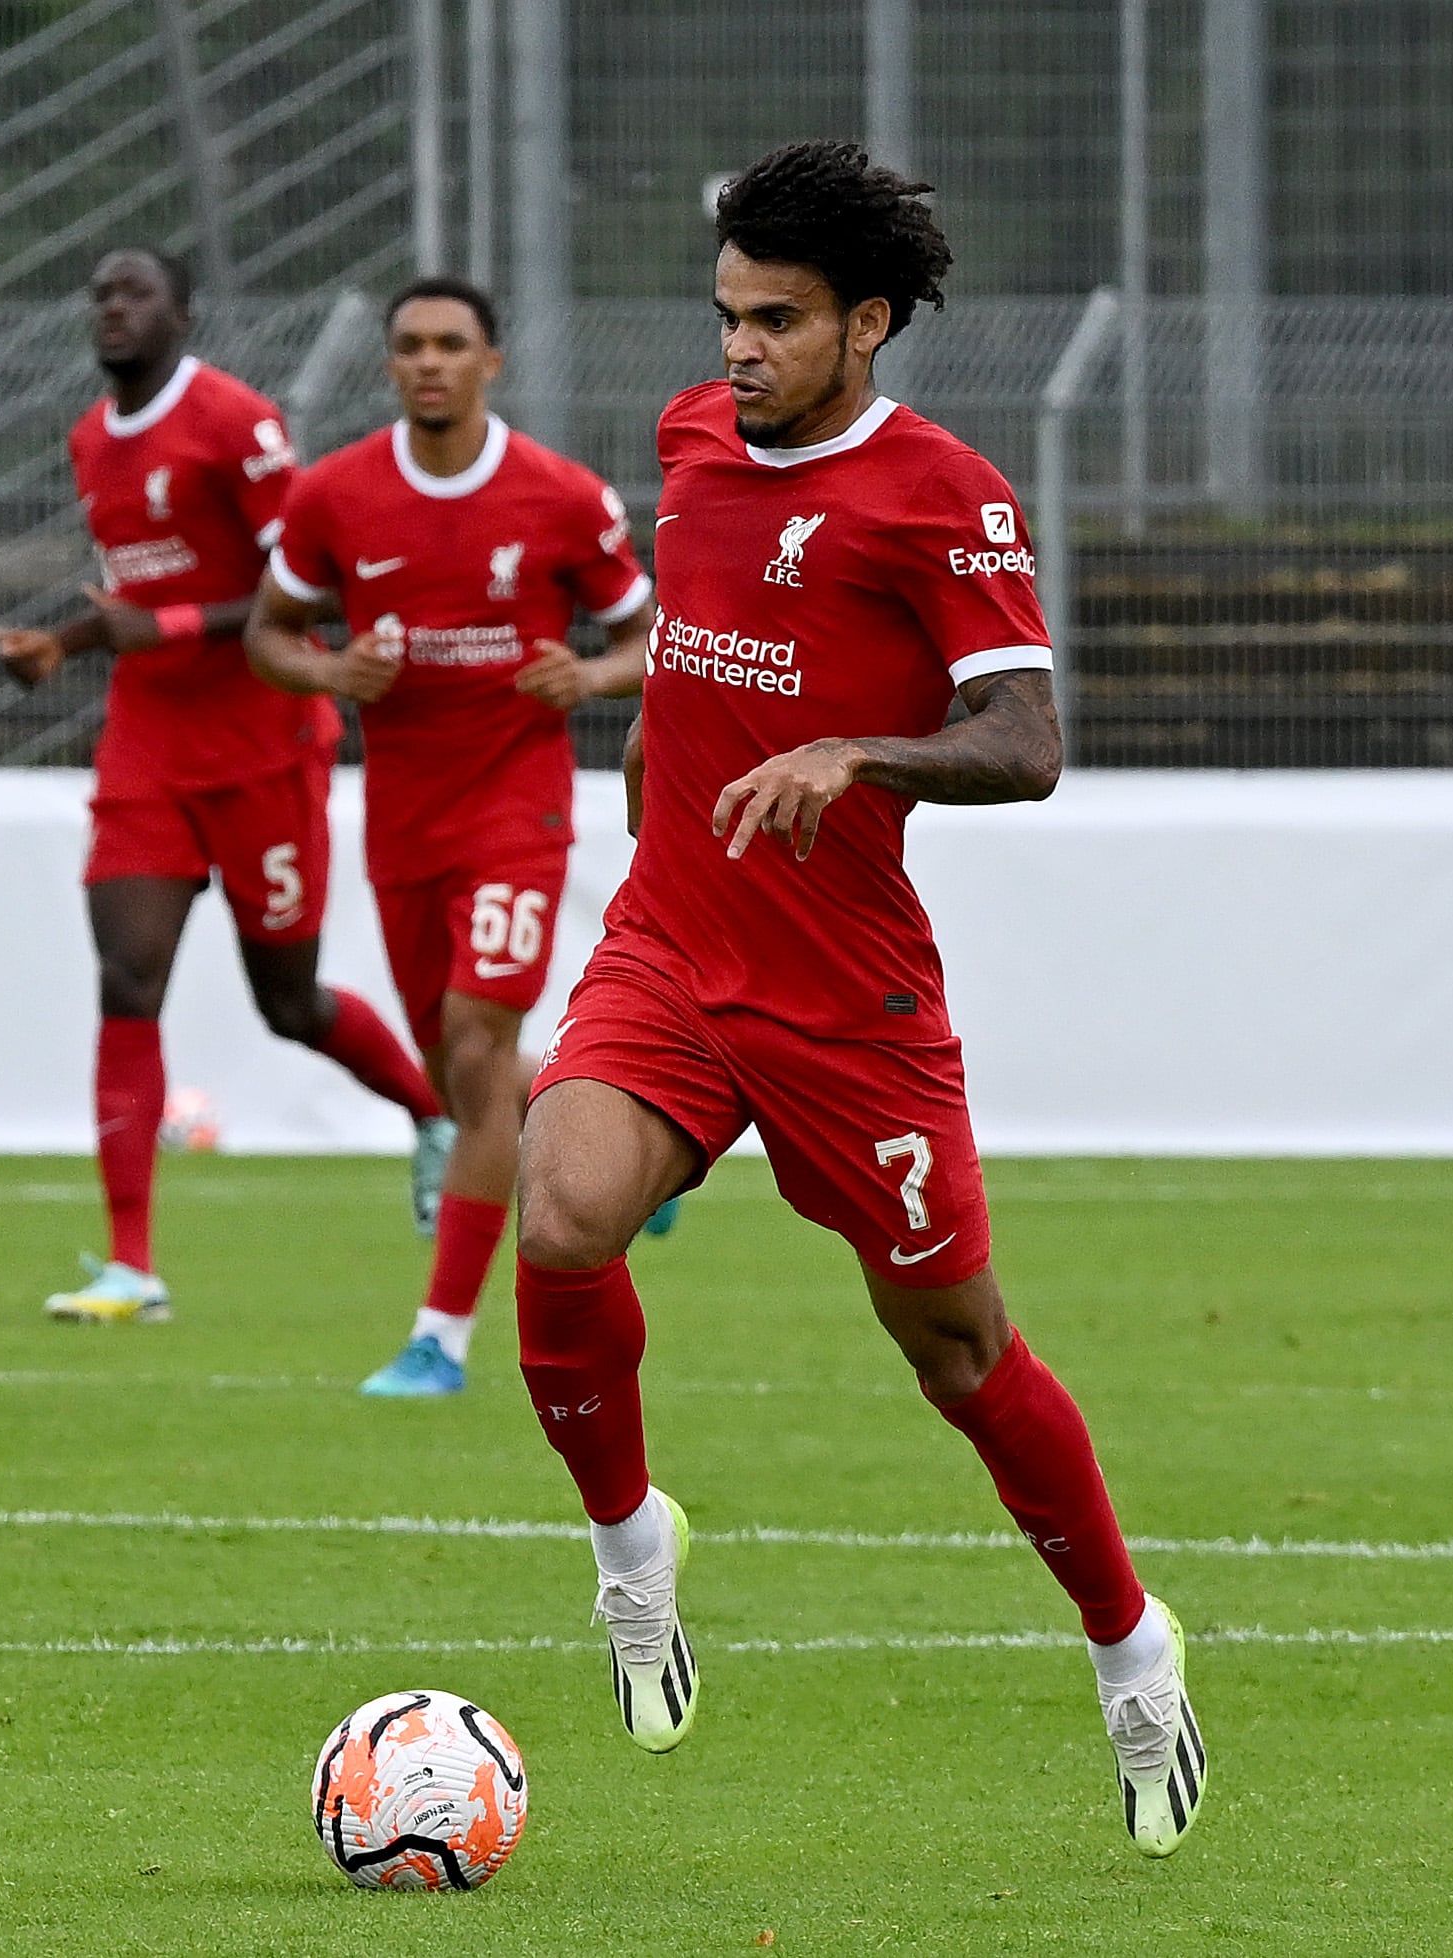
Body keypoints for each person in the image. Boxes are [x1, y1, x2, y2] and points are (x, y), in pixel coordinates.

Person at [512, 142, 1207, 1860]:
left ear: (869, 322)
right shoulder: (688, 441)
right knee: (562, 1207)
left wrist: (858, 751)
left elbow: (1027, 743)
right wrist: (650, 811)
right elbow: (700, 639)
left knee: (954, 1349)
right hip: (672, 946)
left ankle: (1129, 1643)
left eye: (778, 321)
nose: (738, 350)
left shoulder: (940, 494)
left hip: (846, 1001)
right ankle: (629, 1549)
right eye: (728, 315)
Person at [0, 247, 449, 1326]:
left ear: (183, 314)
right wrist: (61, 644)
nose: (111, 308)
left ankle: (438, 1117)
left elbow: (306, 587)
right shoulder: (89, 439)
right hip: (148, 745)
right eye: (98, 294)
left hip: (261, 743)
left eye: (134, 293)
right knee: (126, 976)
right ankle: (130, 1266)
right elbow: (142, 596)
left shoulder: (236, 422)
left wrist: (170, 627)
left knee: (288, 1003)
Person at [245, 277, 661, 1399]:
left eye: (450, 344)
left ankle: (440, 1334)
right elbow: (267, 632)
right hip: (401, 821)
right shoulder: (334, 496)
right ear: (390, 365)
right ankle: (629, 1135)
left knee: (475, 1052)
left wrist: (588, 671)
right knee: (453, 1061)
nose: (429, 362)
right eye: (411, 345)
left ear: (492, 362)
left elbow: (648, 630)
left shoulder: (558, 495)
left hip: (513, 812)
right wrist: (331, 669)